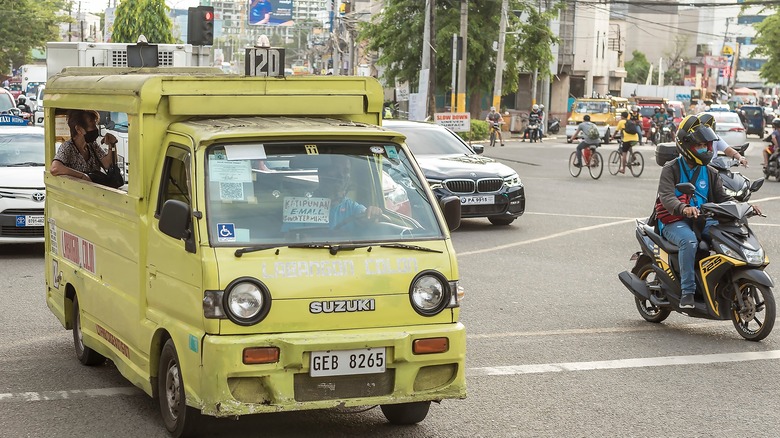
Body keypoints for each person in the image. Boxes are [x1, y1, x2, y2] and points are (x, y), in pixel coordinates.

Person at [655, 114, 761, 309]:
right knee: (690, 241)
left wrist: (744, 207)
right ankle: (687, 291)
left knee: (728, 235)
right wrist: (683, 208)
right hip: (673, 220)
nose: (706, 149)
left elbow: (723, 198)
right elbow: (667, 197)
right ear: (686, 146)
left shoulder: (710, 172)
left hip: (703, 219)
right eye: (701, 146)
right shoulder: (671, 169)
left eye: (707, 145)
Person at [51, 110, 118, 182]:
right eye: (92, 125)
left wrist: (112, 144)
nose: (96, 129)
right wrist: (82, 176)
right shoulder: (68, 147)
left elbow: (107, 164)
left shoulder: (92, 145)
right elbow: (55, 168)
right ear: (79, 129)